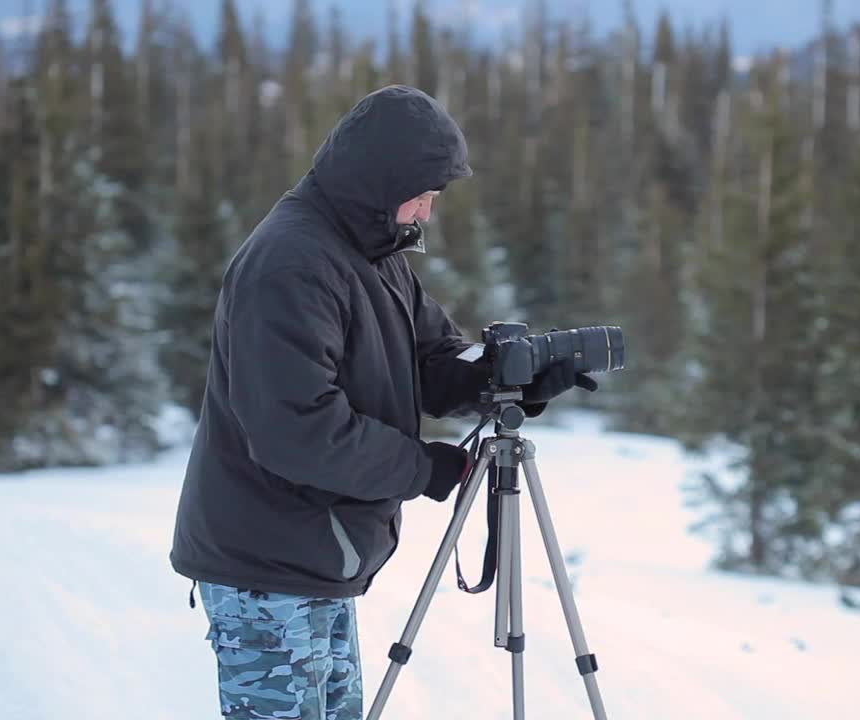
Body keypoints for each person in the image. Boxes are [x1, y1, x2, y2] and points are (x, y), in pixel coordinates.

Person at [169, 85, 594, 719]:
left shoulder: (372, 251)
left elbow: (431, 361)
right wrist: (426, 469)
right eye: (420, 192)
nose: (426, 210)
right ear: (377, 179)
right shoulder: (291, 265)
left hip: (311, 554)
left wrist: (513, 381)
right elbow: (298, 431)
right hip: (267, 562)